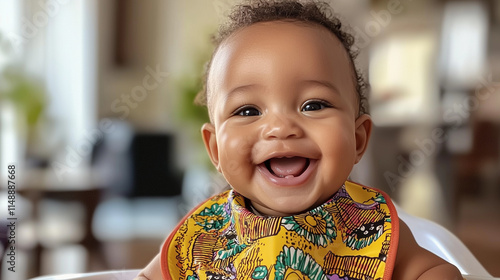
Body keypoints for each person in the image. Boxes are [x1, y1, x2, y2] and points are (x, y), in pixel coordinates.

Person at [136, 1, 462, 279]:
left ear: (358, 138)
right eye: (248, 110)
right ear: (215, 149)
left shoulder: (371, 223)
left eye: (313, 105)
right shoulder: (204, 233)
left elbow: (436, 271)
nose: (281, 127)